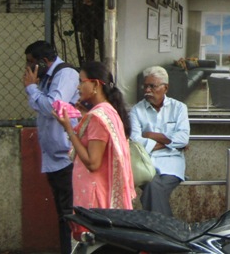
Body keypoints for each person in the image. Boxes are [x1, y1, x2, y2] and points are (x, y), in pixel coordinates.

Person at [54, 61, 135, 232]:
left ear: (96, 84)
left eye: (81, 81)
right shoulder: (107, 111)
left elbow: (93, 163)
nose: (78, 87)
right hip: (100, 190)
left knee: (92, 240)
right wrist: (84, 116)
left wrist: (69, 129)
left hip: (94, 195)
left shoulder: (98, 117)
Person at [23, 40, 79, 254]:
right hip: (54, 158)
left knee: (68, 212)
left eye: (31, 62)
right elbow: (39, 104)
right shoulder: (48, 78)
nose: (28, 68)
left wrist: (32, 88)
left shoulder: (65, 74)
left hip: (66, 157)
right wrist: (35, 92)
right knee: (62, 212)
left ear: (44, 61)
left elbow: (53, 107)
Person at [130, 66, 190, 216]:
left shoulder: (179, 108)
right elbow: (136, 141)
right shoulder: (136, 110)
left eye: (152, 86)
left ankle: (157, 226)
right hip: (145, 162)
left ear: (165, 88)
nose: (147, 90)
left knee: (152, 189)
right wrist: (169, 143)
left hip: (171, 164)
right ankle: (169, 227)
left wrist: (150, 135)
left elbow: (183, 139)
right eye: (145, 86)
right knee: (153, 186)